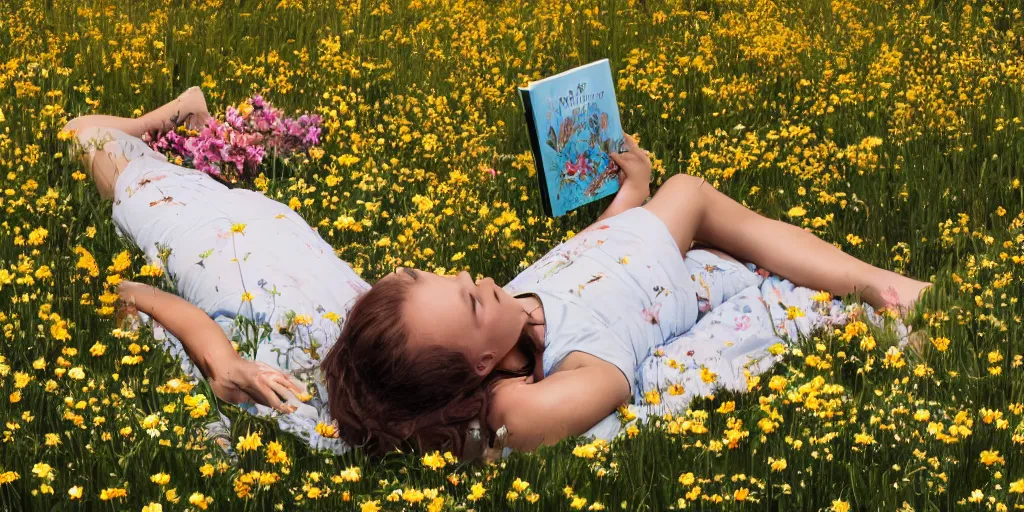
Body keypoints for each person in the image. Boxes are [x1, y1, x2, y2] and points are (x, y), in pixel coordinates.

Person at [323, 133, 931, 456]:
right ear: (481, 366)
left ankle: (876, 283)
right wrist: (466, 425)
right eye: (469, 301)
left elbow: (576, 254)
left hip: (626, 237)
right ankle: (887, 287)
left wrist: (629, 195)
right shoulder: (549, 376)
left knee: (689, 196)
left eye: (439, 275)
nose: (470, 278)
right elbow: (599, 391)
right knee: (693, 193)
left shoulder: (503, 315)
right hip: (654, 266)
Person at [63, 87, 369, 452]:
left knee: (79, 133)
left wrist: (220, 362)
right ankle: (171, 129)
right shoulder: (373, 331)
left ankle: (173, 117)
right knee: (138, 160)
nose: (401, 271)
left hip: (191, 218)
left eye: (458, 293)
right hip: (243, 221)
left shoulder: (307, 390)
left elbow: (130, 298)